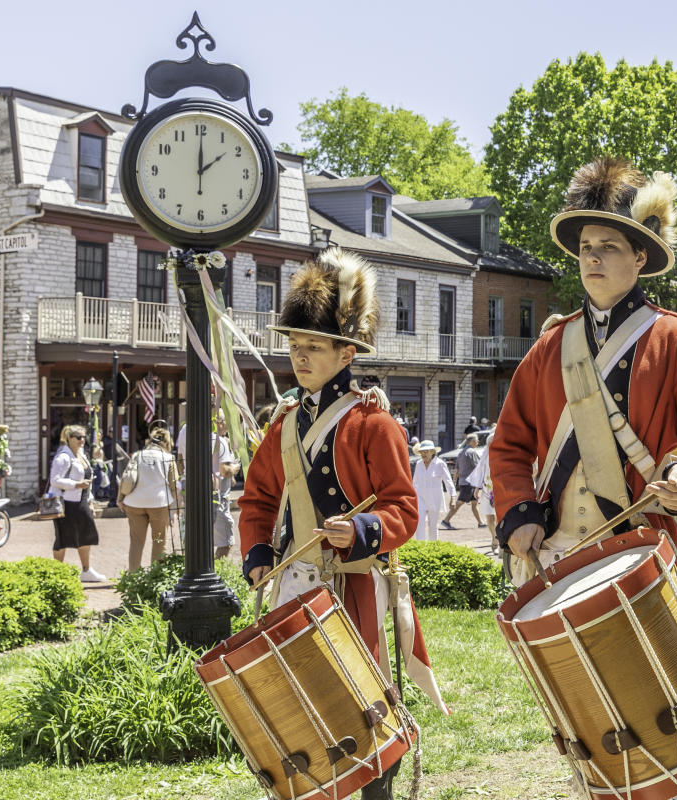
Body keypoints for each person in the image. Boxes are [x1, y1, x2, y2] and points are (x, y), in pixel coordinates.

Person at [490, 156, 677, 585]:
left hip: (640, 547)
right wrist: (518, 511)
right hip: (555, 552)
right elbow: (510, 444)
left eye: (608, 247)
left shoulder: (675, 339)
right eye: (586, 247)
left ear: (640, 256)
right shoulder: (551, 345)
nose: (592, 258)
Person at [238, 248, 427, 800]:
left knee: (363, 707)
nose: (299, 357)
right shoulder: (282, 426)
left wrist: (363, 528)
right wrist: (257, 555)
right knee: (300, 706)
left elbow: (403, 508)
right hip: (295, 584)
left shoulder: (374, 422)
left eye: (313, 347)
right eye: (294, 347)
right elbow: (258, 500)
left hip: (356, 586)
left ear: (347, 352)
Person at [48, 424, 105, 582]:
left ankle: (86, 570)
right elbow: (55, 480)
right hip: (66, 503)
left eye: (83, 437)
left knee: (86, 535)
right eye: (78, 437)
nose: (82, 440)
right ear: (68, 438)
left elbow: (89, 480)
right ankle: (57, 573)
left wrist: (90, 501)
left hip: (81, 501)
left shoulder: (82, 454)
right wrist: (76, 484)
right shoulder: (63, 457)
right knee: (63, 538)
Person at [119, 427, 179, 570]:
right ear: (166, 442)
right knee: (159, 541)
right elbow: (174, 485)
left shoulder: (138, 455)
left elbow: (126, 477)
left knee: (136, 542)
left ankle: (133, 576)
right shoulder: (168, 458)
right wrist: (174, 510)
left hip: (134, 503)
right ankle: (155, 575)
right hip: (158, 504)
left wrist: (120, 498)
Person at [412, 440, 455, 541]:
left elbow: (448, 482)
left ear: (432, 452)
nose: (423, 454)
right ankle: (420, 548)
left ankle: (432, 548)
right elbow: (414, 483)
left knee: (433, 526)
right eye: (422, 452)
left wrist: (452, 498)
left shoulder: (440, 464)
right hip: (420, 498)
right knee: (419, 524)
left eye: (426, 451)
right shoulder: (419, 464)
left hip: (435, 499)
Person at [212, 413, 241, 559]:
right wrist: (235, 468)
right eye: (225, 421)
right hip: (219, 499)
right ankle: (217, 570)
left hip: (206, 496)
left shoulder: (191, 433)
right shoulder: (220, 441)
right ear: (219, 423)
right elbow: (223, 470)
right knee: (226, 541)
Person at [442, 432, 482, 529]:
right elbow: (479, 467)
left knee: (474, 503)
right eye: (476, 440)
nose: (478, 442)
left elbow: (456, 469)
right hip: (469, 483)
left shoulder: (461, 452)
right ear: (472, 441)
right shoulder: (472, 452)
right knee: (460, 503)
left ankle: (481, 522)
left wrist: (455, 481)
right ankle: (446, 520)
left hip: (464, 482)